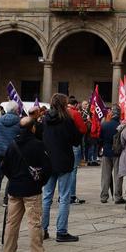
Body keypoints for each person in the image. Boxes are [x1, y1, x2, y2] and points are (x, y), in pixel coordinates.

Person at [0, 114, 53, 252]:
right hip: (31, 189)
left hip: (15, 188)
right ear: (33, 128)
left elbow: (4, 167)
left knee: (12, 222)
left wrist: (14, 178)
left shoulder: (12, 144)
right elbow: (47, 167)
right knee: (34, 222)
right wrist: (40, 182)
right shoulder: (38, 145)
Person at [39, 93, 84, 242]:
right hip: (64, 161)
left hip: (48, 161)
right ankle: (61, 231)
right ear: (64, 104)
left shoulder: (45, 119)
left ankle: (43, 230)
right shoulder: (67, 120)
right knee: (64, 197)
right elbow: (76, 140)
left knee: (46, 197)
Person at [98, 107, 120, 203]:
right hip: (117, 152)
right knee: (117, 175)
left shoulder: (104, 124)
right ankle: (117, 196)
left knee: (105, 175)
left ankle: (104, 196)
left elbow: (100, 139)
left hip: (106, 151)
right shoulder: (120, 126)